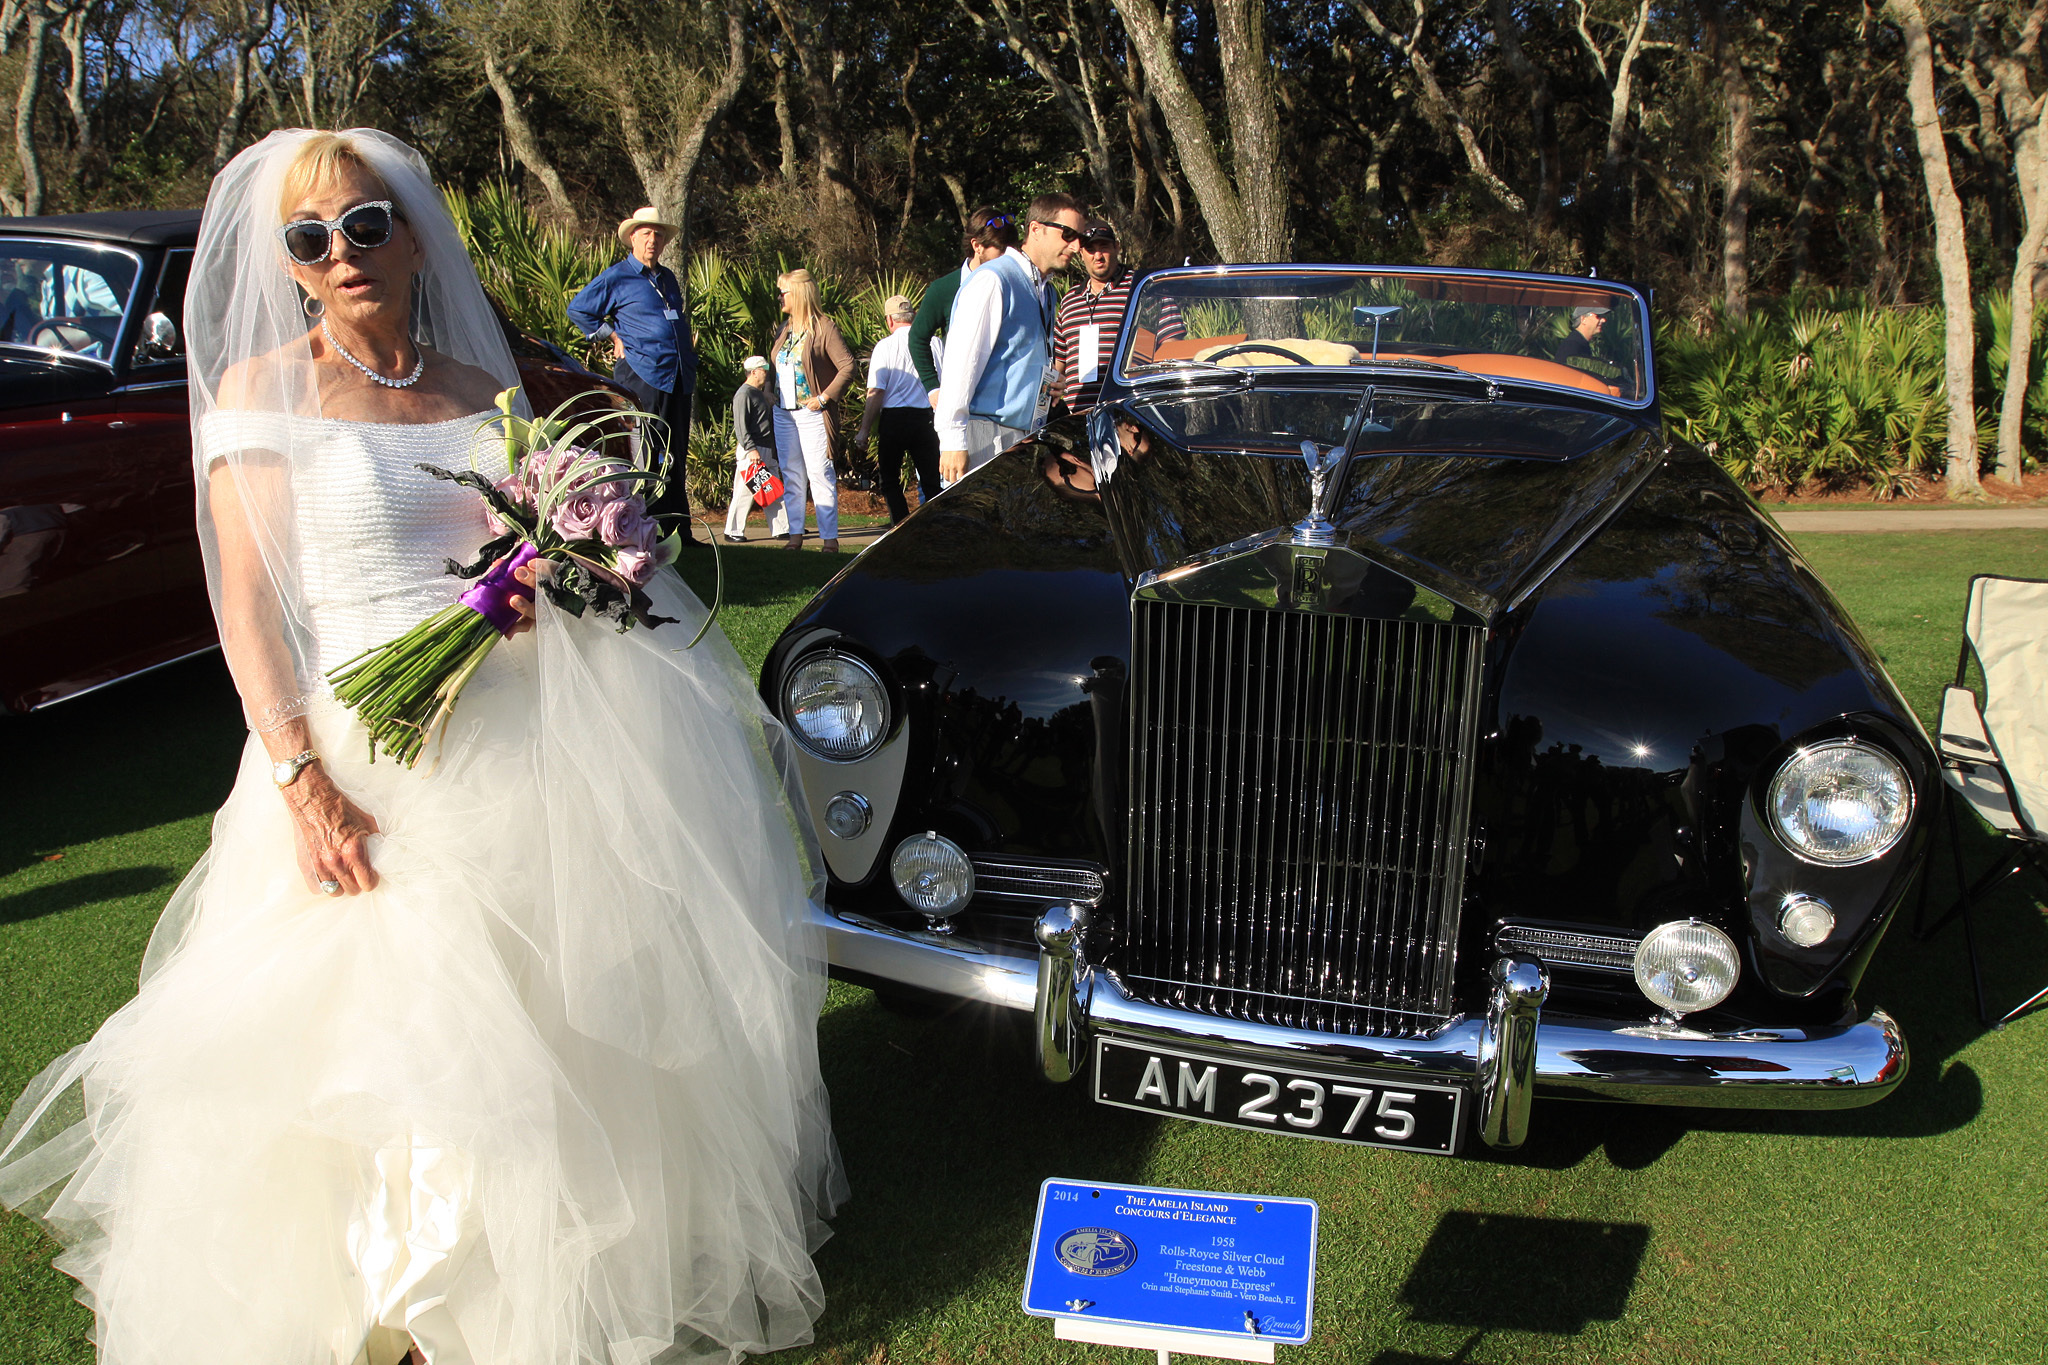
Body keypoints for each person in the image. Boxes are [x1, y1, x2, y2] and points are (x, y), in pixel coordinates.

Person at [0, 128, 842, 1365]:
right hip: (360, 754)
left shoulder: (476, 390)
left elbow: (517, 552)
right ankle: (395, 1307)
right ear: (285, 264)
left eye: (363, 225)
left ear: (409, 234)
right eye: (309, 238)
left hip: (518, 739)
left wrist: (570, 558)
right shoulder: (260, 398)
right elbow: (247, 606)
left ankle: (528, 1291)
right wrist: (300, 777)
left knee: (557, 1019)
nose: (341, 254)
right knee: (399, 1038)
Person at [934, 192, 1087, 485]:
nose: (1076, 245)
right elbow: (960, 363)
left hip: (1019, 438)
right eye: (1067, 233)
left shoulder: (1046, 291)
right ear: (1036, 229)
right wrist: (952, 439)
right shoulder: (994, 279)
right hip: (982, 437)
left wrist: (1046, 384)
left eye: (1079, 236)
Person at [567, 207, 700, 539]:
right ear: (632, 238)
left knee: (676, 452)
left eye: (657, 234)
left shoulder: (667, 278)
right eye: (645, 234)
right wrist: (610, 335)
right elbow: (578, 309)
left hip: (678, 375)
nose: (652, 240)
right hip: (643, 374)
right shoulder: (618, 277)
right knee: (647, 453)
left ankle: (678, 530)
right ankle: (644, 529)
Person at [1050, 218, 1181, 411]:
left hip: (1130, 412)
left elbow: (1172, 347)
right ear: (1081, 252)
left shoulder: (1144, 289)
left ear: (1116, 247)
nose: (1098, 256)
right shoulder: (1070, 300)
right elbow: (1058, 363)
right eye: (1090, 249)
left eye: (1103, 247)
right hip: (1078, 416)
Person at [768, 268, 857, 552]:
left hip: (812, 413)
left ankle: (829, 540)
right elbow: (777, 366)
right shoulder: (784, 329)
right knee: (791, 474)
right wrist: (770, 393)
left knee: (820, 474)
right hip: (783, 413)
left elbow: (847, 366)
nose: (779, 298)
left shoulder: (823, 327)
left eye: (784, 293)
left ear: (800, 295)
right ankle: (795, 536)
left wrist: (824, 397)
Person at [908, 207, 1018, 411]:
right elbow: (917, 338)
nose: (1006, 258)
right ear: (977, 246)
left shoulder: (1017, 286)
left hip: (1007, 406)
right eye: (1000, 250)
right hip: (962, 408)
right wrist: (933, 388)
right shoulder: (945, 288)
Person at [850, 294, 941, 524]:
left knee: (889, 478)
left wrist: (864, 430)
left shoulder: (886, 346)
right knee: (931, 480)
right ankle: (935, 525)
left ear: (890, 320)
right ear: (913, 316)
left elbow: (876, 391)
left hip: (895, 418)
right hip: (926, 417)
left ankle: (900, 524)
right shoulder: (934, 342)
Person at [725, 354, 788, 542]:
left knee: (772, 489)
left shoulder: (758, 393)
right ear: (753, 372)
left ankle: (781, 528)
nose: (766, 374)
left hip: (765, 448)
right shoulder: (743, 394)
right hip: (752, 451)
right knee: (745, 492)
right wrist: (751, 449)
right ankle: (733, 531)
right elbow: (741, 426)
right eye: (763, 370)